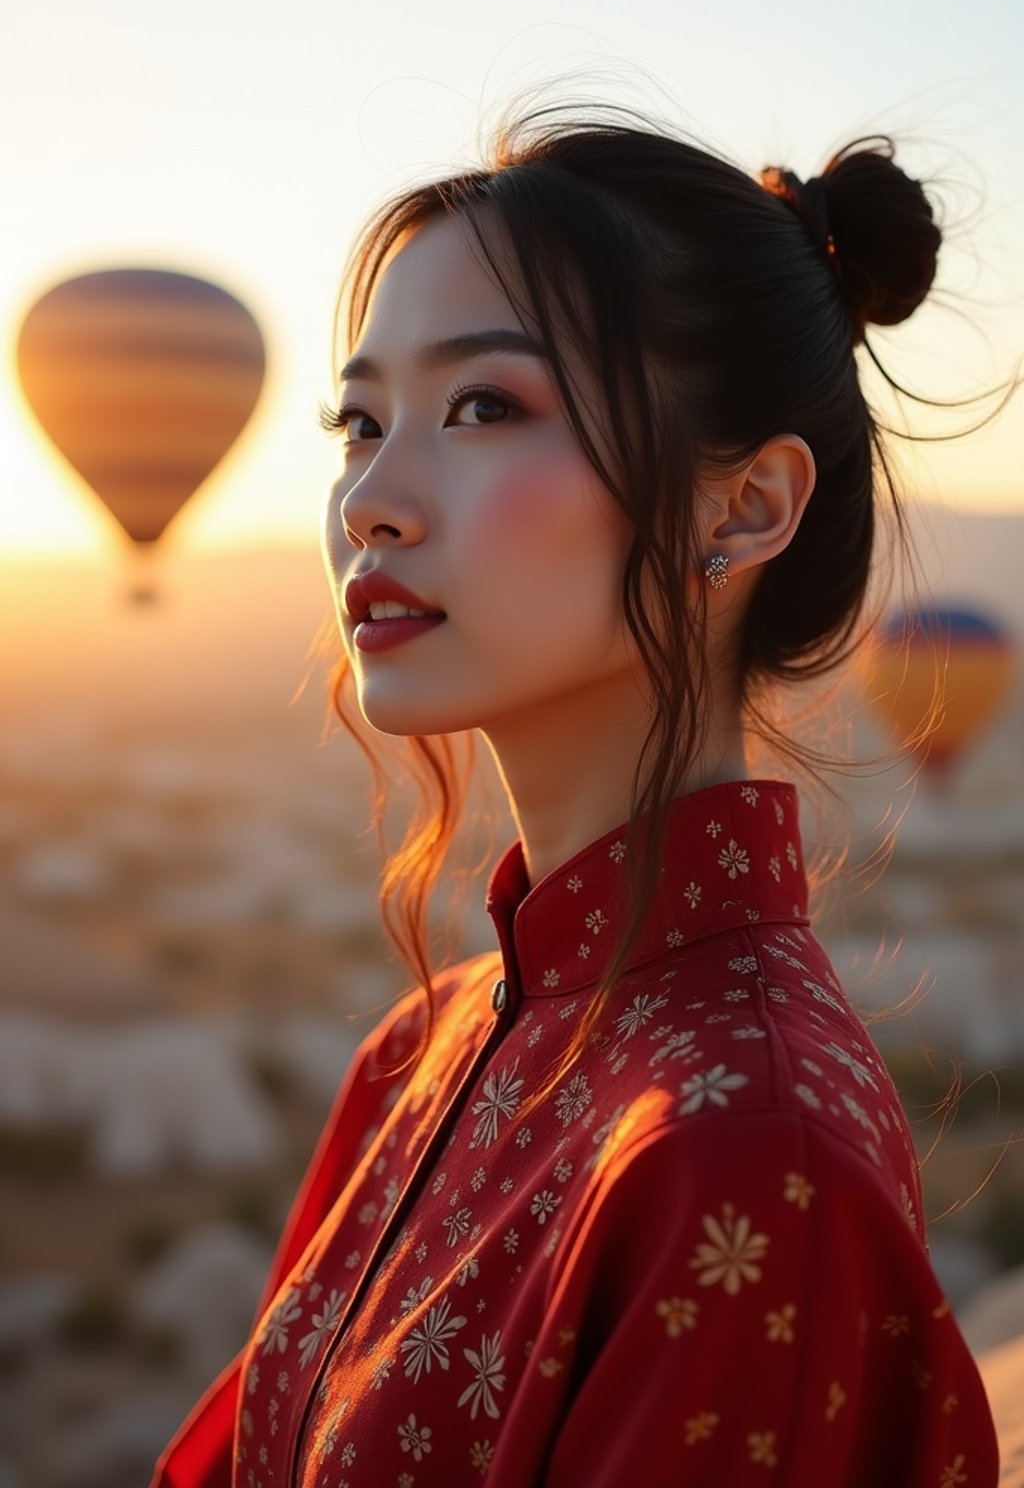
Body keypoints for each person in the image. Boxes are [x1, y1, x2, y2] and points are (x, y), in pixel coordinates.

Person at [152, 96, 1001, 1486]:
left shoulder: (743, 1163)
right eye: (358, 422)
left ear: (743, 508)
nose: (370, 497)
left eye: (486, 405)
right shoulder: (422, 1051)